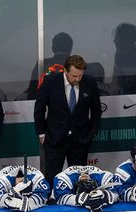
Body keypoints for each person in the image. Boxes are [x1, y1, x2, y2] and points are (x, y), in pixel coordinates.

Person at [34, 55, 102, 185]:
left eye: (80, 76)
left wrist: (91, 133)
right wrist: (41, 133)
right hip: (54, 138)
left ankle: (78, 201)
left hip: (80, 140)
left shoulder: (90, 83)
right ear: (65, 70)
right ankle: (52, 202)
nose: (77, 79)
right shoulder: (50, 82)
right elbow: (39, 108)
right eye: (74, 76)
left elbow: (96, 111)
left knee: (79, 180)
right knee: (52, 178)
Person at [53, 165, 118, 212]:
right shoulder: (63, 178)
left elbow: (117, 194)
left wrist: (104, 197)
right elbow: (60, 198)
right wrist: (84, 199)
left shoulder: (104, 177)